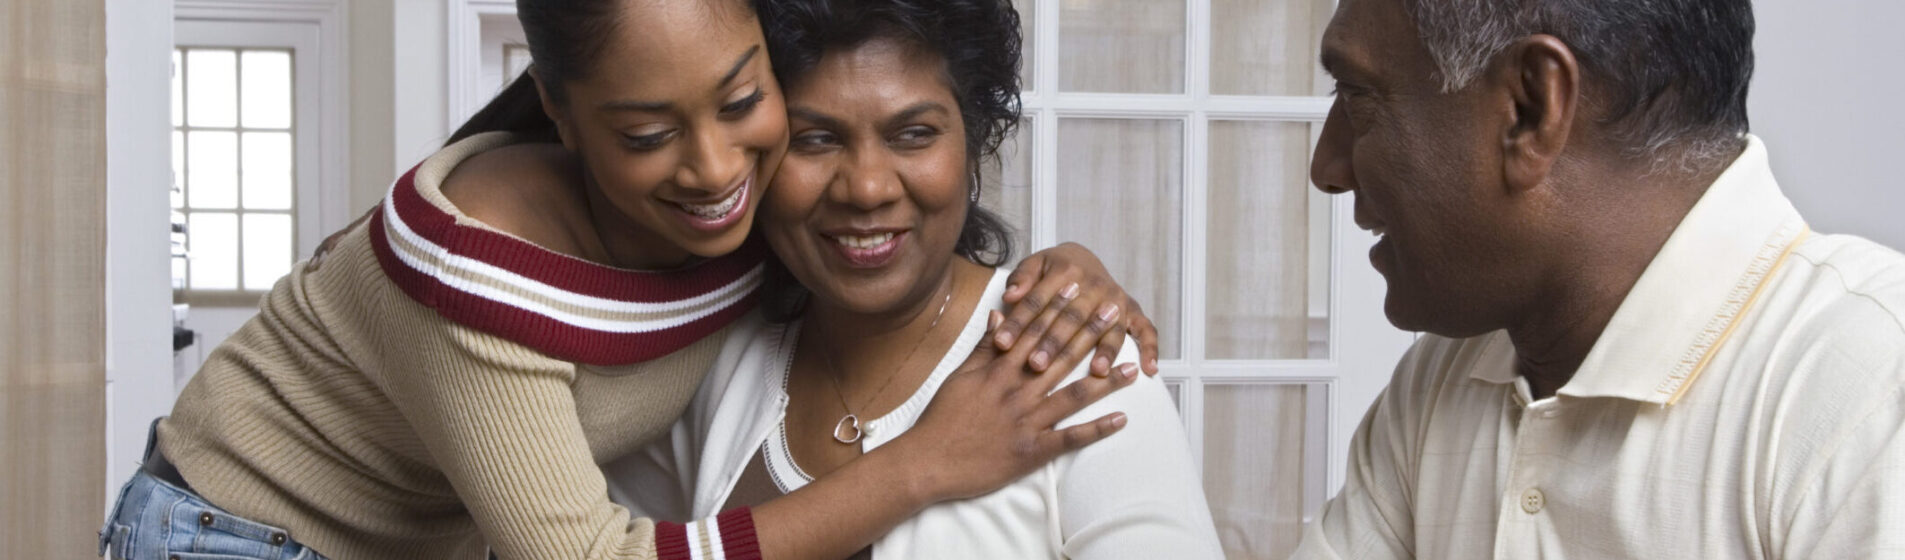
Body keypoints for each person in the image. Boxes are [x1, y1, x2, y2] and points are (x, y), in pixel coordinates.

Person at [97, 1, 1164, 559]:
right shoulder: (476, 268)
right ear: (561, 116)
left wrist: (1050, 274)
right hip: (231, 532)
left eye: (744, 101)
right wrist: (923, 463)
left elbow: (874, 216)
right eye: (650, 132)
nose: (710, 167)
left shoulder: (742, 211)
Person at [605, 1, 1221, 558]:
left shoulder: (1078, 365)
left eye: (914, 134)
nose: (867, 188)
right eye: (814, 139)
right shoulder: (710, 368)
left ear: (973, 146)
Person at [1291, 0, 1905, 557]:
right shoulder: (1440, 384)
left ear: (1530, 110)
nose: (1327, 166)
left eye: (1359, 96)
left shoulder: (1868, 395)